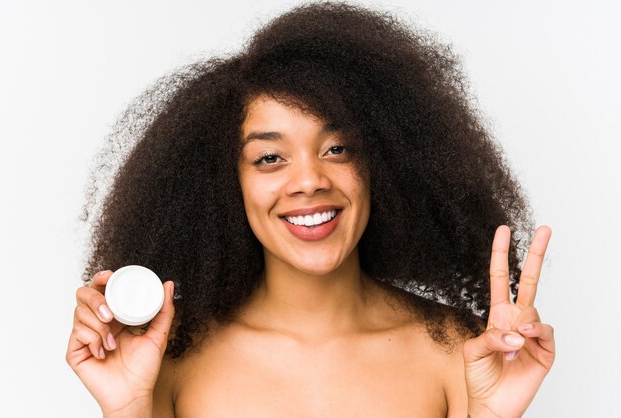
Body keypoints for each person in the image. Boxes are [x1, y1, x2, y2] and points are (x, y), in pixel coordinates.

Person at [66, 3, 555, 417]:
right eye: (270, 158)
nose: (309, 181)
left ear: (384, 160)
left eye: (338, 148)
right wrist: (127, 408)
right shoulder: (170, 364)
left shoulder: (456, 353)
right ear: (223, 183)